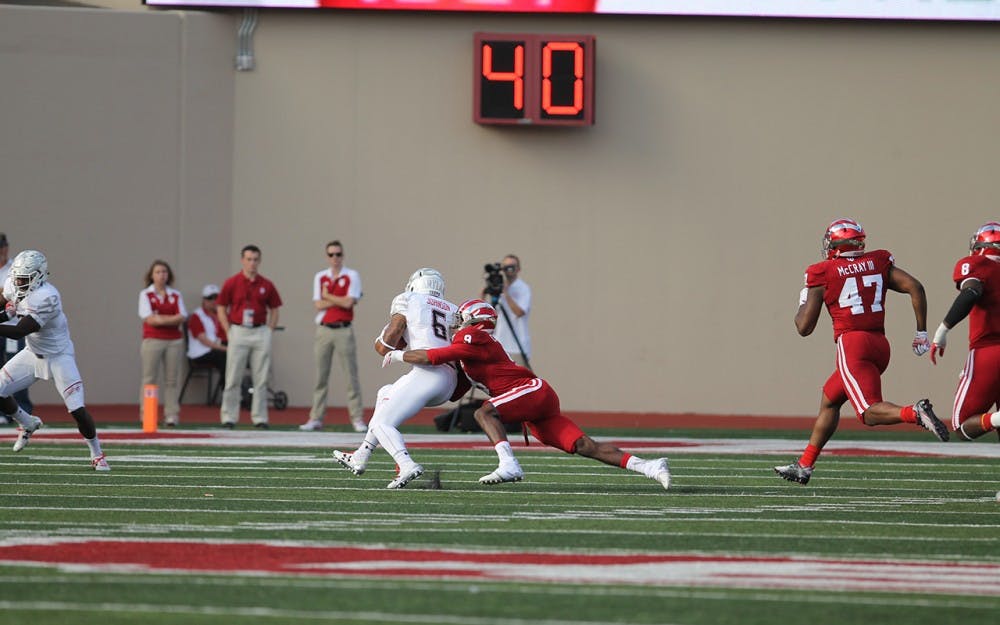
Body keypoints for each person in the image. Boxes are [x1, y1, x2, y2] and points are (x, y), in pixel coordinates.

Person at [383, 299, 672, 489]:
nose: (456, 323)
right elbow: (456, 393)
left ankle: (509, 463)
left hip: (529, 391)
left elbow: (433, 355)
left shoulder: (473, 336)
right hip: (532, 403)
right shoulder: (471, 346)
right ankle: (648, 466)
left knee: (485, 411)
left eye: (462, 318)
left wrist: (397, 354)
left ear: (475, 322)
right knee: (584, 446)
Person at [774, 218, 949, 486]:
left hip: (852, 345)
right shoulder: (878, 262)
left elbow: (804, 328)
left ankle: (915, 412)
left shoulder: (822, 272)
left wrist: (803, 301)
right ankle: (804, 465)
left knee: (868, 412)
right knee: (831, 398)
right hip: (879, 345)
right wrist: (921, 333)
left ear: (835, 246)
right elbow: (916, 287)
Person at [332, 268, 462, 489]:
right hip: (449, 380)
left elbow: (387, 344)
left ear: (414, 285)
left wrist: (384, 339)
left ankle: (406, 464)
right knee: (385, 393)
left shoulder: (408, 298)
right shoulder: (454, 309)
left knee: (383, 422)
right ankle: (361, 454)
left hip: (428, 373)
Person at [0, 250, 110, 471]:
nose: (19, 282)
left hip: (59, 357)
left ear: (39, 276)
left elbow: (21, 330)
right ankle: (27, 422)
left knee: (77, 410)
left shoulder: (47, 297)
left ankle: (97, 454)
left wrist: (9, 315)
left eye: (25, 278)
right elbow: (7, 305)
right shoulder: (14, 285)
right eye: (17, 277)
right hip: (32, 354)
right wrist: (7, 311)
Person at [929, 221, 1000, 440]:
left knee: (962, 425)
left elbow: (971, 293)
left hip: (988, 351)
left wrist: (942, 330)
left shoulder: (977, 264)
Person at [301, 240, 366, 433]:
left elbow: (348, 303)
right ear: (327, 257)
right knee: (321, 375)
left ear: (342, 255)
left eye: (338, 254)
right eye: (331, 255)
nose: (335, 258)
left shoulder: (351, 275)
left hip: (344, 329)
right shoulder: (320, 277)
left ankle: (357, 418)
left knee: (350, 375)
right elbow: (318, 305)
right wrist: (334, 300)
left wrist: (328, 296)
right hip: (324, 329)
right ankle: (316, 417)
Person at [216, 245, 282, 429]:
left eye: (255, 259)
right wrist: (228, 329)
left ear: (259, 261)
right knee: (232, 376)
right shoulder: (232, 282)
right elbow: (221, 306)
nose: (252, 263)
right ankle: (228, 417)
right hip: (238, 330)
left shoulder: (266, 284)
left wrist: (270, 329)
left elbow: (275, 309)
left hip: (260, 331)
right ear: (242, 260)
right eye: (248, 259)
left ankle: (260, 418)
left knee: (261, 378)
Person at [138, 260, 187, 427]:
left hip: (174, 341)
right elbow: (150, 319)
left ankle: (171, 415)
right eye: (158, 272)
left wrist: (161, 319)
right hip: (153, 340)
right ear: (152, 275)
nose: (161, 275)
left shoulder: (175, 295)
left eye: (164, 272)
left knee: (171, 380)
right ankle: (147, 414)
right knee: (149, 378)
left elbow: (182, 316)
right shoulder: (146, 294)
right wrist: (170, 319)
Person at [0, 233, 33, 418]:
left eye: (2, 247)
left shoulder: (14, 269)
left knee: (18, 369)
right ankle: (5, 412)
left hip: (14, 325)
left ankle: (24, 409)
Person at [483, 254, 531, 368]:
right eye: (506, 266)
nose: (509, 270)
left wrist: (506, 293)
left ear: (518, 269)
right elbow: (488, 313)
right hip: (499, 343)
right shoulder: (497, 287)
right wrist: (483, 293)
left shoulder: (523, 288)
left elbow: (519, 312)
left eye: (512, 266)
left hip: (516, 346)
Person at [187, 283, 227, 388]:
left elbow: (226, 335)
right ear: (204, 300)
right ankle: (226, 390)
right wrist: (226, 349)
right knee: (225, 357)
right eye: (210, 298)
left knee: (239, 356)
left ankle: (242, 391)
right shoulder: (197, 315)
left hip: (216, 349)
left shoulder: (221, 314)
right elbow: (204, 340)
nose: (214, 301)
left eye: (216, 298)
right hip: (201, 352)